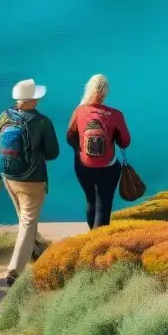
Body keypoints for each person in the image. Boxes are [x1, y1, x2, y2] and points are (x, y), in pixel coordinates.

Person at [0, 78, 60, 286]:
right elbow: (53, 153)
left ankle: (35, 250)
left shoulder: (5, 116)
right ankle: (14, 272)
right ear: (32, 99)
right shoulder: (42, 122)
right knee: (27, 221)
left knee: (24, 217)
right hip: (32, 180)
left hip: (8, 177)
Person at [66, 74, 132, 230]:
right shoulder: (115, 115)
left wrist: (80, 149)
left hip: (83, 166)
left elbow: (69, 137)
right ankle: (97, 243)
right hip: (108, 167)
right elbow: (125, 142)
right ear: (105, 92)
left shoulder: (79, 111)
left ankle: (92, 235)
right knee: (104, 204)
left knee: (90, 200)